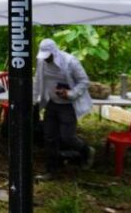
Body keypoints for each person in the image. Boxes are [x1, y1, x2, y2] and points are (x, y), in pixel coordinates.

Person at [33, 38, 95, 175]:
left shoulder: (70, 62)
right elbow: (38, 80)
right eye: (44, 56)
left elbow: (84, 81)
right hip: (52, 103)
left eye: (48, 56)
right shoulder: (41, 62)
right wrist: (33, 99)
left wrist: (71, 93)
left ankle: (86, 150)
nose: (46, 59)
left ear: (54, 52)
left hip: (68, 105)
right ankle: (52, 169)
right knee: (49, 136)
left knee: (67, 137)